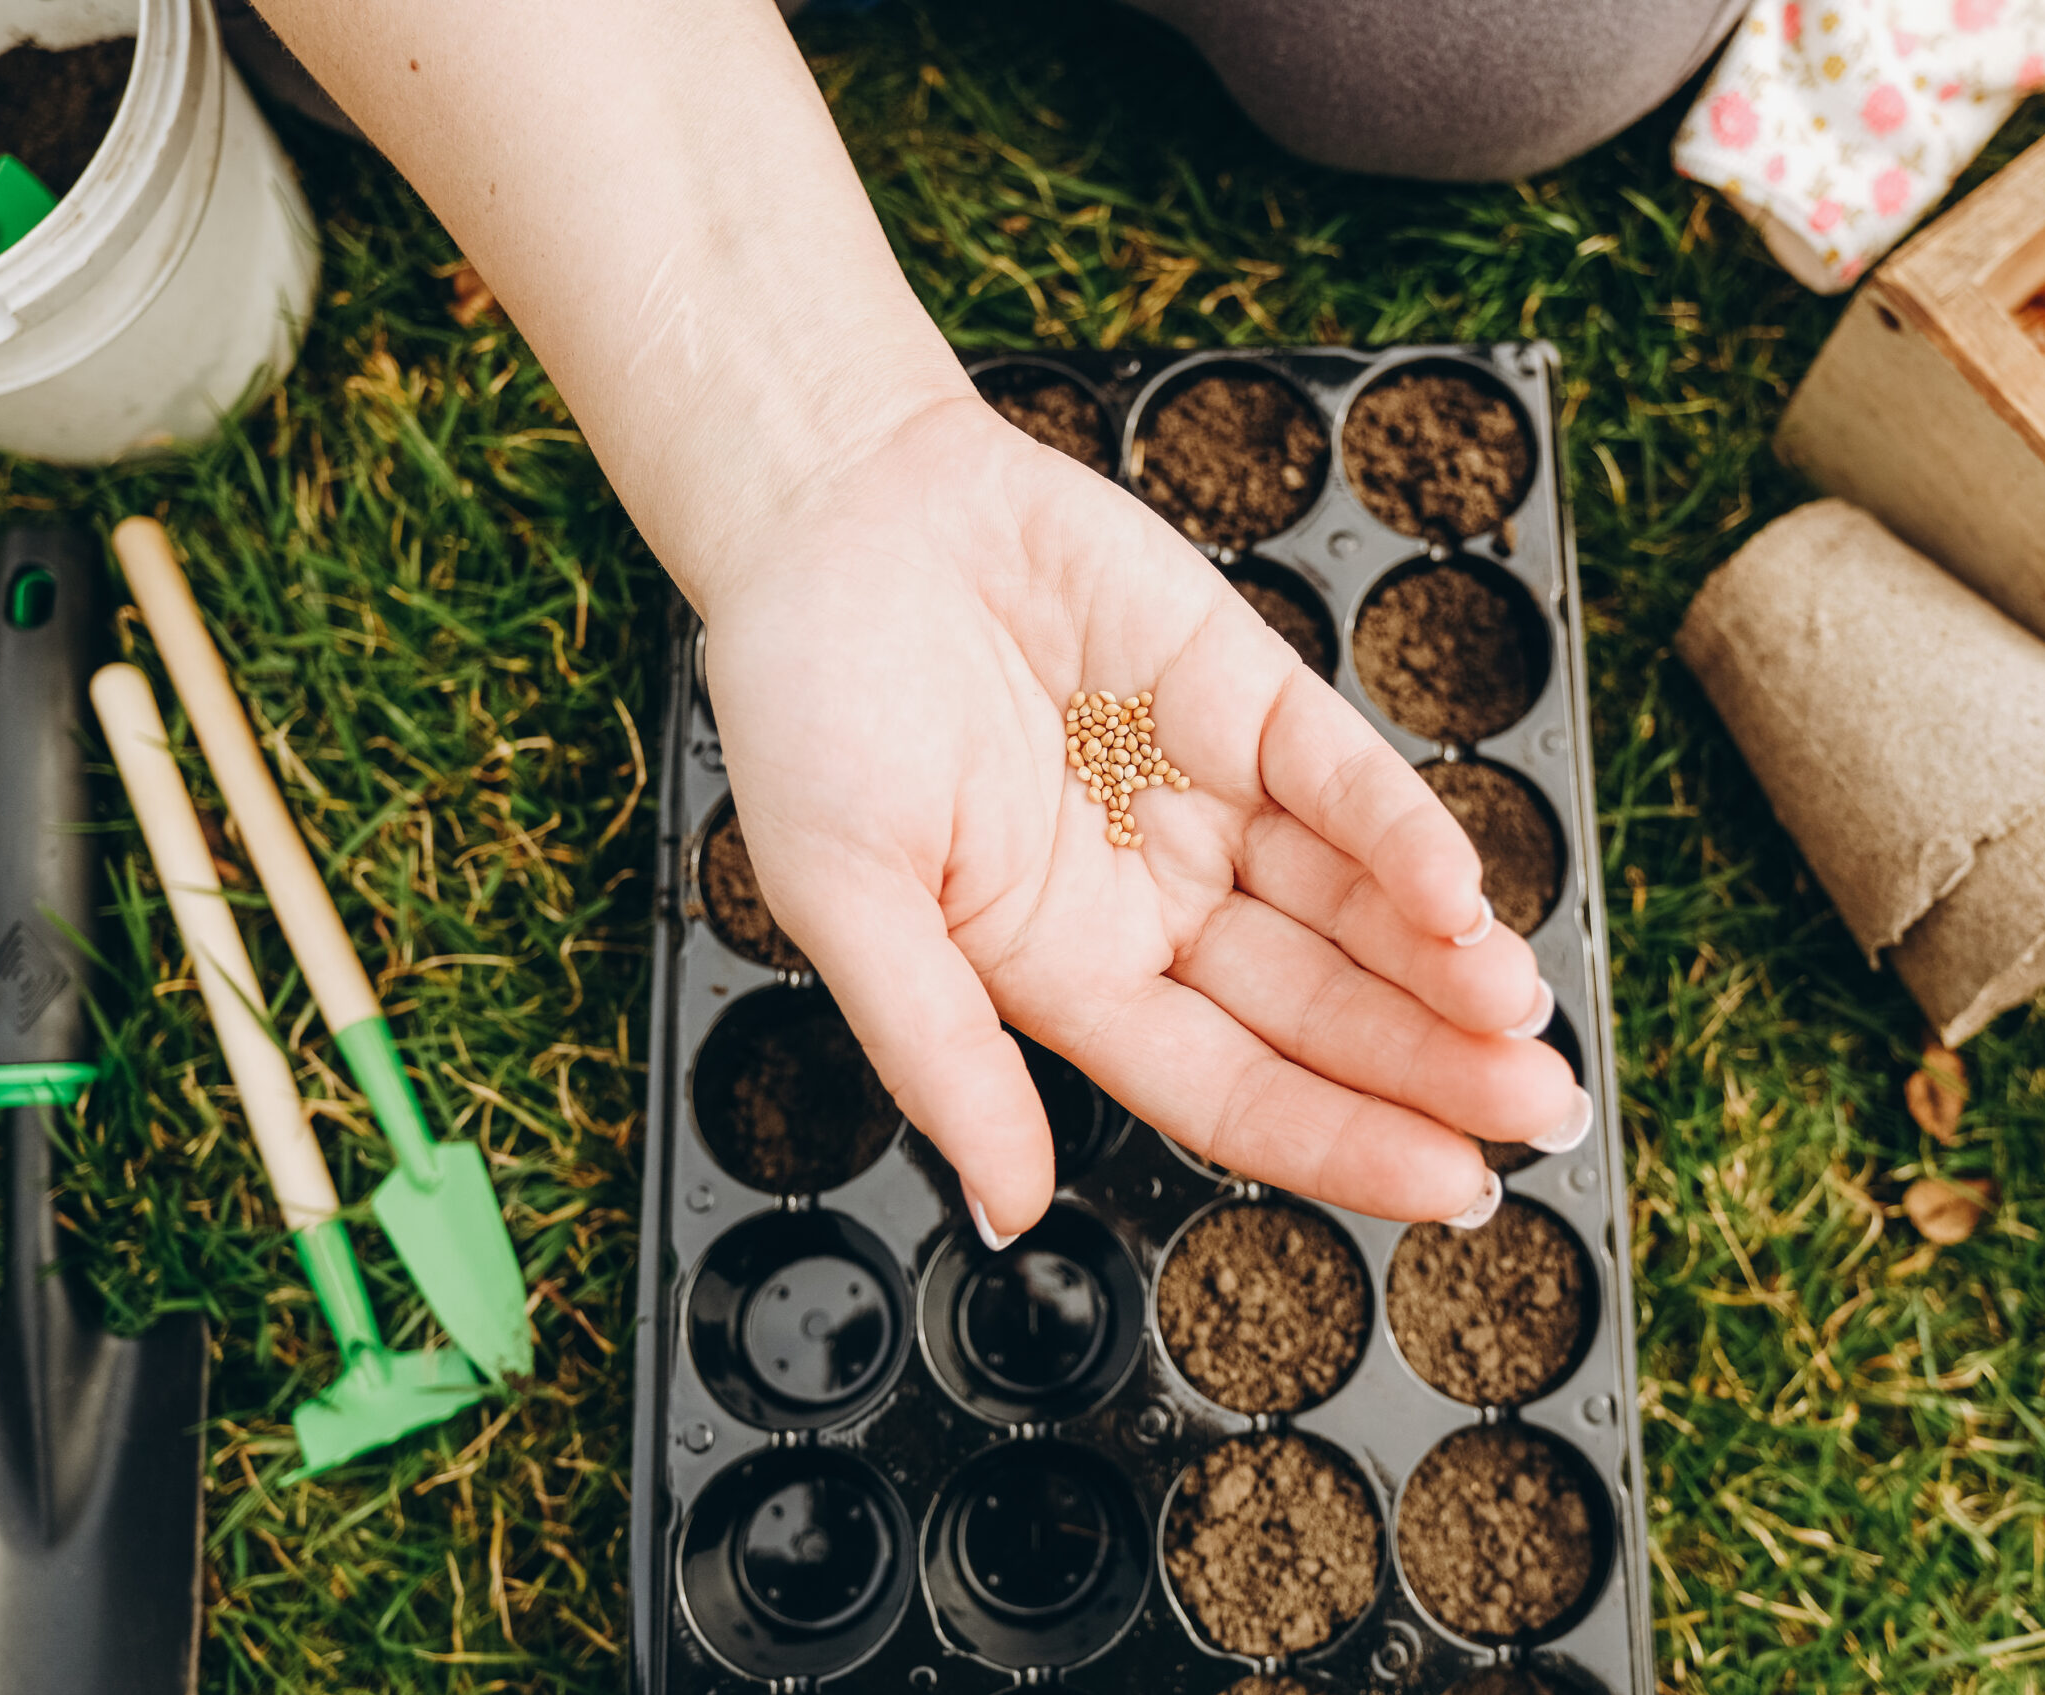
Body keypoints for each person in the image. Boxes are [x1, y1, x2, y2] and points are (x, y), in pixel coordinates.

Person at [241, 0, 1714, 1245]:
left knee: (1517, 47)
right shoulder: (1092, 736)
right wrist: (815, 466)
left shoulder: (1110, 739)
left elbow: (1107, 751)